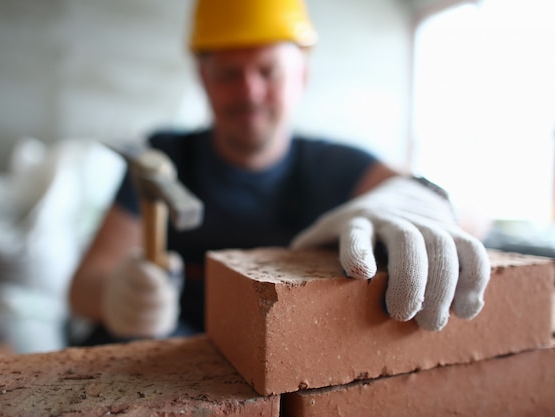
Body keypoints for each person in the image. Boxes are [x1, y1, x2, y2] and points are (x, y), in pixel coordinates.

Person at [68, 0, 490, 346]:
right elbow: (81, 286)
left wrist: (416, 202)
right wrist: (115, 297)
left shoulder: (337, 166)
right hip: (171, 363)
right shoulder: (162, 158)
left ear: (301, 75)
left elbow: (475, 215)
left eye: (268, 71)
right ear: (203, 79)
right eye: (230, 74)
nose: (249, 91)